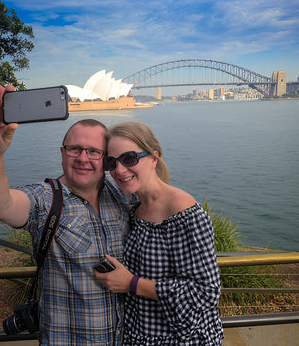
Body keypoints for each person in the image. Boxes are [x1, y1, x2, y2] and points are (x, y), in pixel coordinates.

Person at [0, 85, 130, 345]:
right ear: (62, 154)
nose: (83, 158)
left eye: (94, 152)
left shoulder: (124, 197)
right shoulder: (46, 199)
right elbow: (0, 205)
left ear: (106, 159)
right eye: (74, 149)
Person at [95, 121, 224, 345]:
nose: (119, 170)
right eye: (111, 162)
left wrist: (132, 283)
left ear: (154, 158)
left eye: (129, 158)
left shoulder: (182, 211)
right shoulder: (135, 206)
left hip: (181, 339)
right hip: (139, 337)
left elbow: (207, 292)